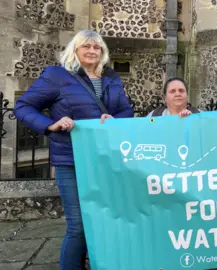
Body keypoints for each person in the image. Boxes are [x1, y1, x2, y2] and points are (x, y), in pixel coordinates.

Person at [13, 30, 134, 270]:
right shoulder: (58, 76)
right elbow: (23, 106)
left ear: (103, 52)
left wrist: (114, 119)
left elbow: (126, 110)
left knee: (103, 220)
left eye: (97, 48)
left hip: (105, 159)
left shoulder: (111, 77)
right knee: (78, 225)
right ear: (75, 50)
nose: (92, 51)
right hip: (71, 160)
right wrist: (50, 124)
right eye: (86, 47)